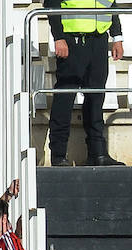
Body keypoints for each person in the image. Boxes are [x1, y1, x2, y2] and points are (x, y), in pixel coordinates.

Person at [46, 0, 125, 166]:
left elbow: (111, 5)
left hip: (99, 41)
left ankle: (97, 153)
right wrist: (59, 37)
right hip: (72, 40)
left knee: (96, 98)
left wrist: (117, 37)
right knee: (65, 98)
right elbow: (51, 4)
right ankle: (59, 155)